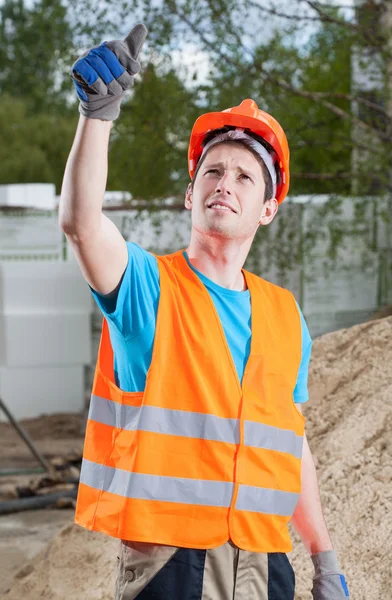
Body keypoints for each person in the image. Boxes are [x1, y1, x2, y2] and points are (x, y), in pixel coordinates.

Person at [59, 24, 350, 600]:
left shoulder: (285, 314)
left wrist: (323, 555)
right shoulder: (148, 286)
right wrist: (99, 116)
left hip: (266, 565)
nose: (225, 182)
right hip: (171, 564)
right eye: (212, 171)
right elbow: (81, 224)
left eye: (245, 176)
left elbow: (289, 444)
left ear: (267, 209)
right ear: (191, 195)